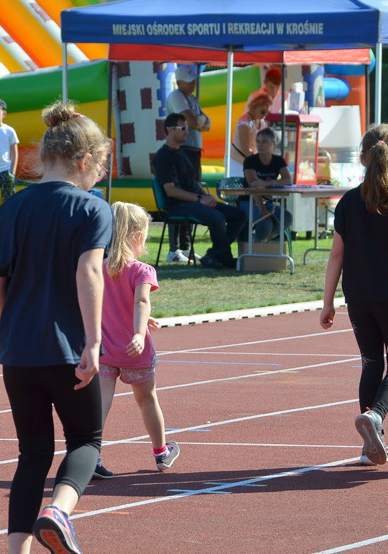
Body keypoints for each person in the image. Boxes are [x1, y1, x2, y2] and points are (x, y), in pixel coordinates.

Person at [0, 102, 113, 554]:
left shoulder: (13, 206)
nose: (100, 175)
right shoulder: (91, 208)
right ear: (83, 161)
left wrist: (14, 325)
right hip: (67, 351)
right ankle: (58, 510)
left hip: (18, 352)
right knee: (86, 441)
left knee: (32, 453)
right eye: (99, 165)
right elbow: (89, 271)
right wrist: (94, 343)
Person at [319, 124, 388, 467]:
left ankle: (368, 444)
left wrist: (327, 301)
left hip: (357, 295)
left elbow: (336, 256)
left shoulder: (347, 202)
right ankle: (376, 417)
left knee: (372, 362)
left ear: (361, 158)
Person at [95, 202, 179, 480]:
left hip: (105, 349)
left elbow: (108, 304)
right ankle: (161, 452)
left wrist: (141, 321)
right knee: (147, 400)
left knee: (101, 403)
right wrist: (137, 332)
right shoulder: (142, 270)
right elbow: (141, 300)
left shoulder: (99, 267)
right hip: (134, 350)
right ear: (138, 236)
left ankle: (91, 454)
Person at [153, 113, 246, 269]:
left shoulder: (181, 153)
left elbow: (192, 182)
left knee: (239, 215)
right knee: (217, 217)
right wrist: (199, 199)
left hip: (194, 201)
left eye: (187, 128)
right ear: (169, 130)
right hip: (178, 205)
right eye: (182, 128)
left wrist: (206, 196)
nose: (187, 132)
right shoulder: (163, 156)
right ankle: (224, 257)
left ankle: (213, 254)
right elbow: (171, 191)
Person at [164, 66, 211, 264]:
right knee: (181, 197)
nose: (194, 84)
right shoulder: (177, 96)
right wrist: (198, 120)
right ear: (179, 82)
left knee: (193, 197)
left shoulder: (191, 99)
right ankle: (174, 249)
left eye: (194, 80)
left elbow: (206, 123)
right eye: (190, 81)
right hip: (184, 152)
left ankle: (186, 247)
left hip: (192, 153)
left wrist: (199, 121)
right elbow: (194, 121)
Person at [242, 127, 293, 243]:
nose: (260, 145)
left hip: (269, 202)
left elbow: (288, 180)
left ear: (274, 144)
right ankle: (257, 244)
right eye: (258, 141)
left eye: (264, 141)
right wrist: (261, 208)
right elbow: (254, 185)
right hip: (249, 201)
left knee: (287, 218)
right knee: (265, 222)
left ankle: (263, 240)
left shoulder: (278, 160)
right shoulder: (250, 161)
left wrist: (267, 183)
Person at [229, 94, 272, 177]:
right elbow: (245, 149)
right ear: (254, 109)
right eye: (262, 112)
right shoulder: (244, 124)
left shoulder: (260, 121)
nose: (265, 115)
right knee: (239, 188)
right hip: (238, 162)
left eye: (267, 112)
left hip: (251, 160)